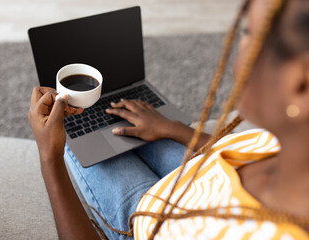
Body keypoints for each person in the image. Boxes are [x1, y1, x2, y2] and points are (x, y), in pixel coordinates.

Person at [28, 0, 309, 239]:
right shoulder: (286, 143)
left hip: (147, 218)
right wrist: (172, 129)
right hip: (199, 172)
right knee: (115, 119)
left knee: (79, 135)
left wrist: (49, 158)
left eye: (249, 35)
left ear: (300, 82)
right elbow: (238, 154)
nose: (237, 48)